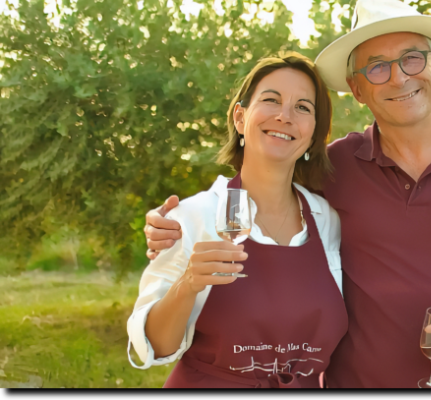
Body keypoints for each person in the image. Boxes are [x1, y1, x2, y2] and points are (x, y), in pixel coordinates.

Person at [142, 0, 431, 388]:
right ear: (357, 89)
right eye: (377, 67)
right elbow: (263, 181)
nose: (399, 77)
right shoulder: (334, 167)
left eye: (412, 58)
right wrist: (174, 228)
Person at [127, 53, 348, 388]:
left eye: (303, 107)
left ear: (315, 132)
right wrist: (188, 283)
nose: (284, 116)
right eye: (271, 100)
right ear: (240, 117)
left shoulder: (327, 220)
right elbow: (155, 347)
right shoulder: (193, 217)